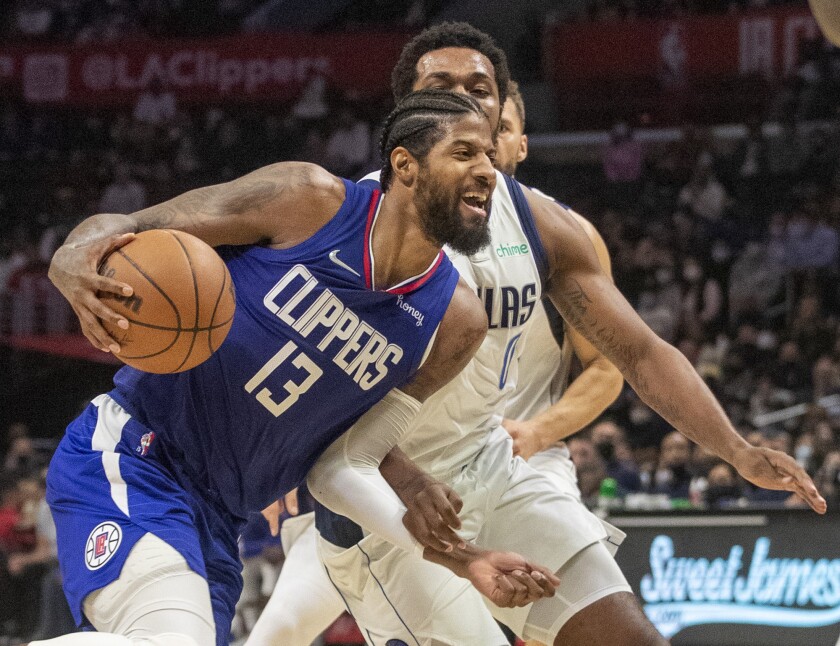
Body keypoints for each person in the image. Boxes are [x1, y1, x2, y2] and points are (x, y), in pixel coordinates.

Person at [311, 22, 826, 646]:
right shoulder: (352, 222)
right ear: (405, 113)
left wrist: (736, 449)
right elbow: (326, 402)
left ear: (502, 107)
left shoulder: (540, 223)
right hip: (385, 502)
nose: (465, 98)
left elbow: (638, 352)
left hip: (491, 470)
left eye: (480, 87)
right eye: (440, 85)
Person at [33, 90, 560, 646]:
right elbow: (129, 226)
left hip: (221, 519)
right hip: (134, 454)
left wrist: (465, 559)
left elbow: (344, 463)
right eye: (465, 153)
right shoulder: (307, 200)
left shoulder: (456, 322)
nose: (488, 170)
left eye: (490, 155)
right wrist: (73, 253)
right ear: (405, 164)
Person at [245, 78, 625, 646]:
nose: (483, 148)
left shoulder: (558, 233)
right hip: (389, 483)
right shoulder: (382, 227)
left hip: (508, 461)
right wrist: (289, 445)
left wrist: (540, 430)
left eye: (494, 135)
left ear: (517, 144)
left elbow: (617, 363)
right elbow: (324, 377)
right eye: (461, 139)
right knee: (283, 628)